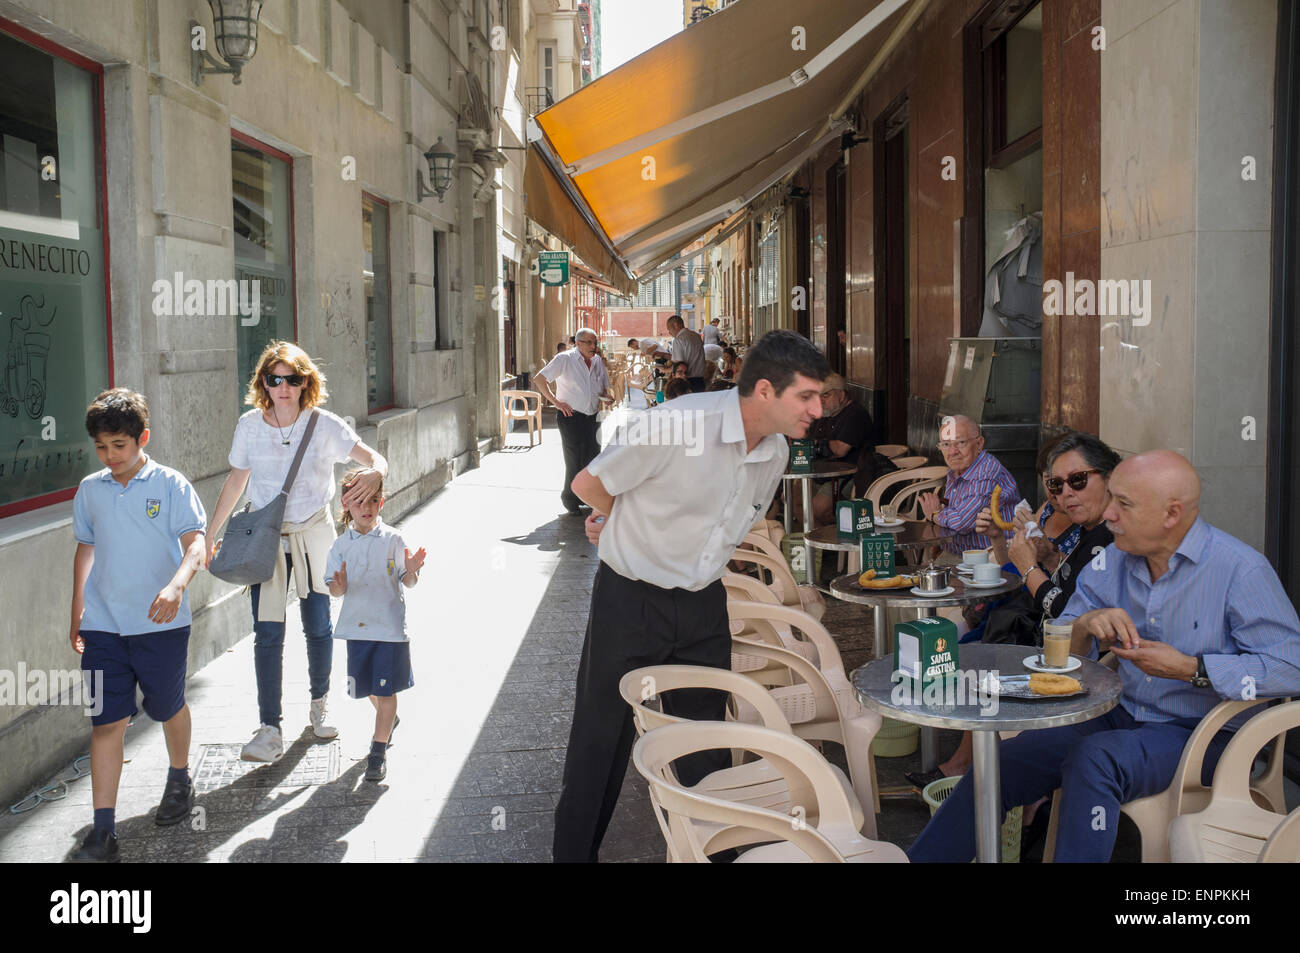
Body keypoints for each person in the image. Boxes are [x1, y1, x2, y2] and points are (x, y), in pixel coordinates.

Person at [908, 450, 1300, 863]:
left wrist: (1190, 668)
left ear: (1172, 514)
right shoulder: (1112, 559)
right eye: (1111, 498)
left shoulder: (1240, 569)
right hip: (1125, 713)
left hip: (1207, 734)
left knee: (1095, 760)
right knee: (1004, 761)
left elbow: (1291, 667)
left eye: (1124, 504)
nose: (1109, 514)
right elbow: (1063, 652)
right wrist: (1085, 623)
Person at [552, 329, 831, 862]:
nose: (818, 409)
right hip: (630, 600)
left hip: (703, 603)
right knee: (601, 737)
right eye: (807, 396)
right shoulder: (679, 423)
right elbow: (589, 484)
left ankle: (712, 851)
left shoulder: (774, 451)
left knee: (704, 739)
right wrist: (615, 520)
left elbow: (738, 520)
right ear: (766, 392)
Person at [206, 341, 390, 763]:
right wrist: (209, 534)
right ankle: (270, 727)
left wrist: (377, 470)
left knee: (319, 626)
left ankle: (319, 703)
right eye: (275, 379)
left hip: (314, 533)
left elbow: (373, 457)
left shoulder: (323, 424)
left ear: (306, 382)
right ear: (264, 383)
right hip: (265, 539)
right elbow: (236, 482)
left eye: (293, 379)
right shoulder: (250, 426)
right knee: (268, 632)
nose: (284, 387)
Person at [907, 432, 1120, 787]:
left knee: (982, 660)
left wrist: (1029, 568)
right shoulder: (1087, 528)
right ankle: (967, 763)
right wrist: (1045, 555)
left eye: (1077, 481)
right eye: (1053, 483)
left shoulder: (1110, 539)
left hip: (1063, 653)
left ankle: (979, 774)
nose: (1064, 493)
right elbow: (1066, 581)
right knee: (967, 646)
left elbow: (1065, 613)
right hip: (1039, 628)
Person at [68, 389, 208, 862]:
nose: (110, 457)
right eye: (102, 447)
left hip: (160, 625)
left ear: (141, 438)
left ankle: (180, 776)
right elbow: (85, 551)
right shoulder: (90, 490)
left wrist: (176, 586)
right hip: (104, 626)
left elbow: (196, 545)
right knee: (107, 722)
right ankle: (103, 832)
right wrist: (77, 613)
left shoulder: (170, 485)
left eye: (119, 446)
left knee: (167, 708)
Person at [326, 469, 425, 782]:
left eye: (372, 500)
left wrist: (411, 571)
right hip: (357, 629)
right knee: (366, 687)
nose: (366, 507)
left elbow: (407, 581)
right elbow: (334, 588)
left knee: (385, 691)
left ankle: (377, 751)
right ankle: (389, 718)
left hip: (390, 630)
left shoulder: (393, 539)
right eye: (358, 502)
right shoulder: (340, 547)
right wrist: (338, 585)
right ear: (346, 507)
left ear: (381, 501)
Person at [534, 327, 612, 515]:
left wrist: (607, 397)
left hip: (592, 416)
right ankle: (569, 499)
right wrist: (556, 402)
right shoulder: (565, 359)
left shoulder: (597, 362)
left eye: (595, 342)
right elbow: (539, 379)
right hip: (571, 417)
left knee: (592, 458)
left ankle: (586, 496)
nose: (594, 346)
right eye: (590, 342)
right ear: (578, 343)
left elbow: (603, 389)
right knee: (574, 459)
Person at [918, 414, 1018, 554]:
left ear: (979, 444)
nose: (952, 452)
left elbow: (961, 522)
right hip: (961, 556)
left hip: (990, 561)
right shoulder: (956, 471)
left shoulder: (986, 472)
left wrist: (934, 514)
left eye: (960, 443)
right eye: (946, 444)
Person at [808, 373, 873, 526]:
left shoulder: (855, 414)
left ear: (842, 395)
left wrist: (821, 443)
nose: (821, 401)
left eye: (826, 395)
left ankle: (838, 535)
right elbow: (810, 439)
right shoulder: (825, 416)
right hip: (823, 473)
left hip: (851, 476)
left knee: (818, 507)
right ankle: (814, 544)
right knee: (791, 496)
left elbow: (840, 450)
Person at [666, 314, 707, 392]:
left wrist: (666, 370)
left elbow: (679, 365)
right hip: (700, 381)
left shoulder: (679, 340)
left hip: (687, 382)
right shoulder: (696, 336)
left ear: (675, 325)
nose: (669, 332)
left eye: (669, 329)